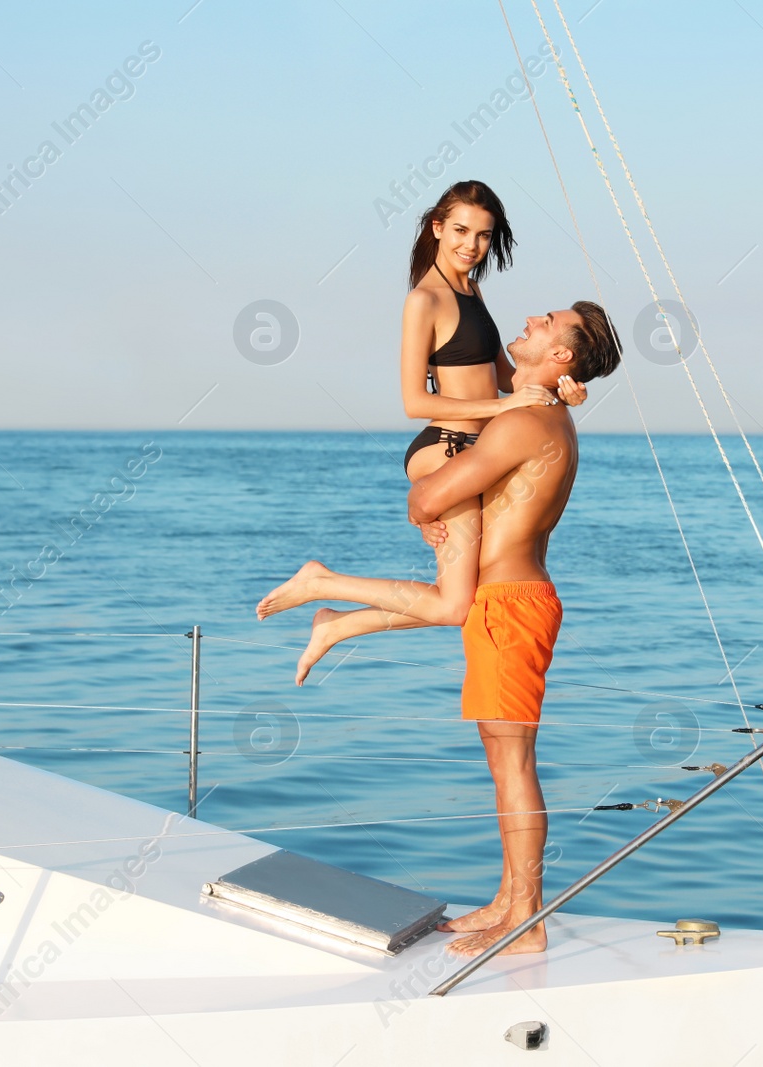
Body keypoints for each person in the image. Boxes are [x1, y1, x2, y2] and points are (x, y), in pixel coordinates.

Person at [256, 180, 584, 683]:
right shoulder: (424, 300)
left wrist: (562, 390)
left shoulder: (471, 290)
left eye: (482, 236)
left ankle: (334, 624)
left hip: (472, 448)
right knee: (455, 606)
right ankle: (323, 585)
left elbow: (504, 378)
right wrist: (506, 407)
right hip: (444, 447)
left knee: (457, 601)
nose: (470, 246)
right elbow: (415, 401)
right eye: (459, 230)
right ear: (436, 228)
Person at [406, 299, 621, 957]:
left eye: (547, 321)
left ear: (561, 355)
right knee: (504, 762)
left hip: (511, 605)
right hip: (507, 602)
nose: (533, 316)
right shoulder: (540, 411)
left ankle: (526, 918)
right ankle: (509, 898)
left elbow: (427, 497)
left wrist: (426, 503)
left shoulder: (525, 422)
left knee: (515, 763)